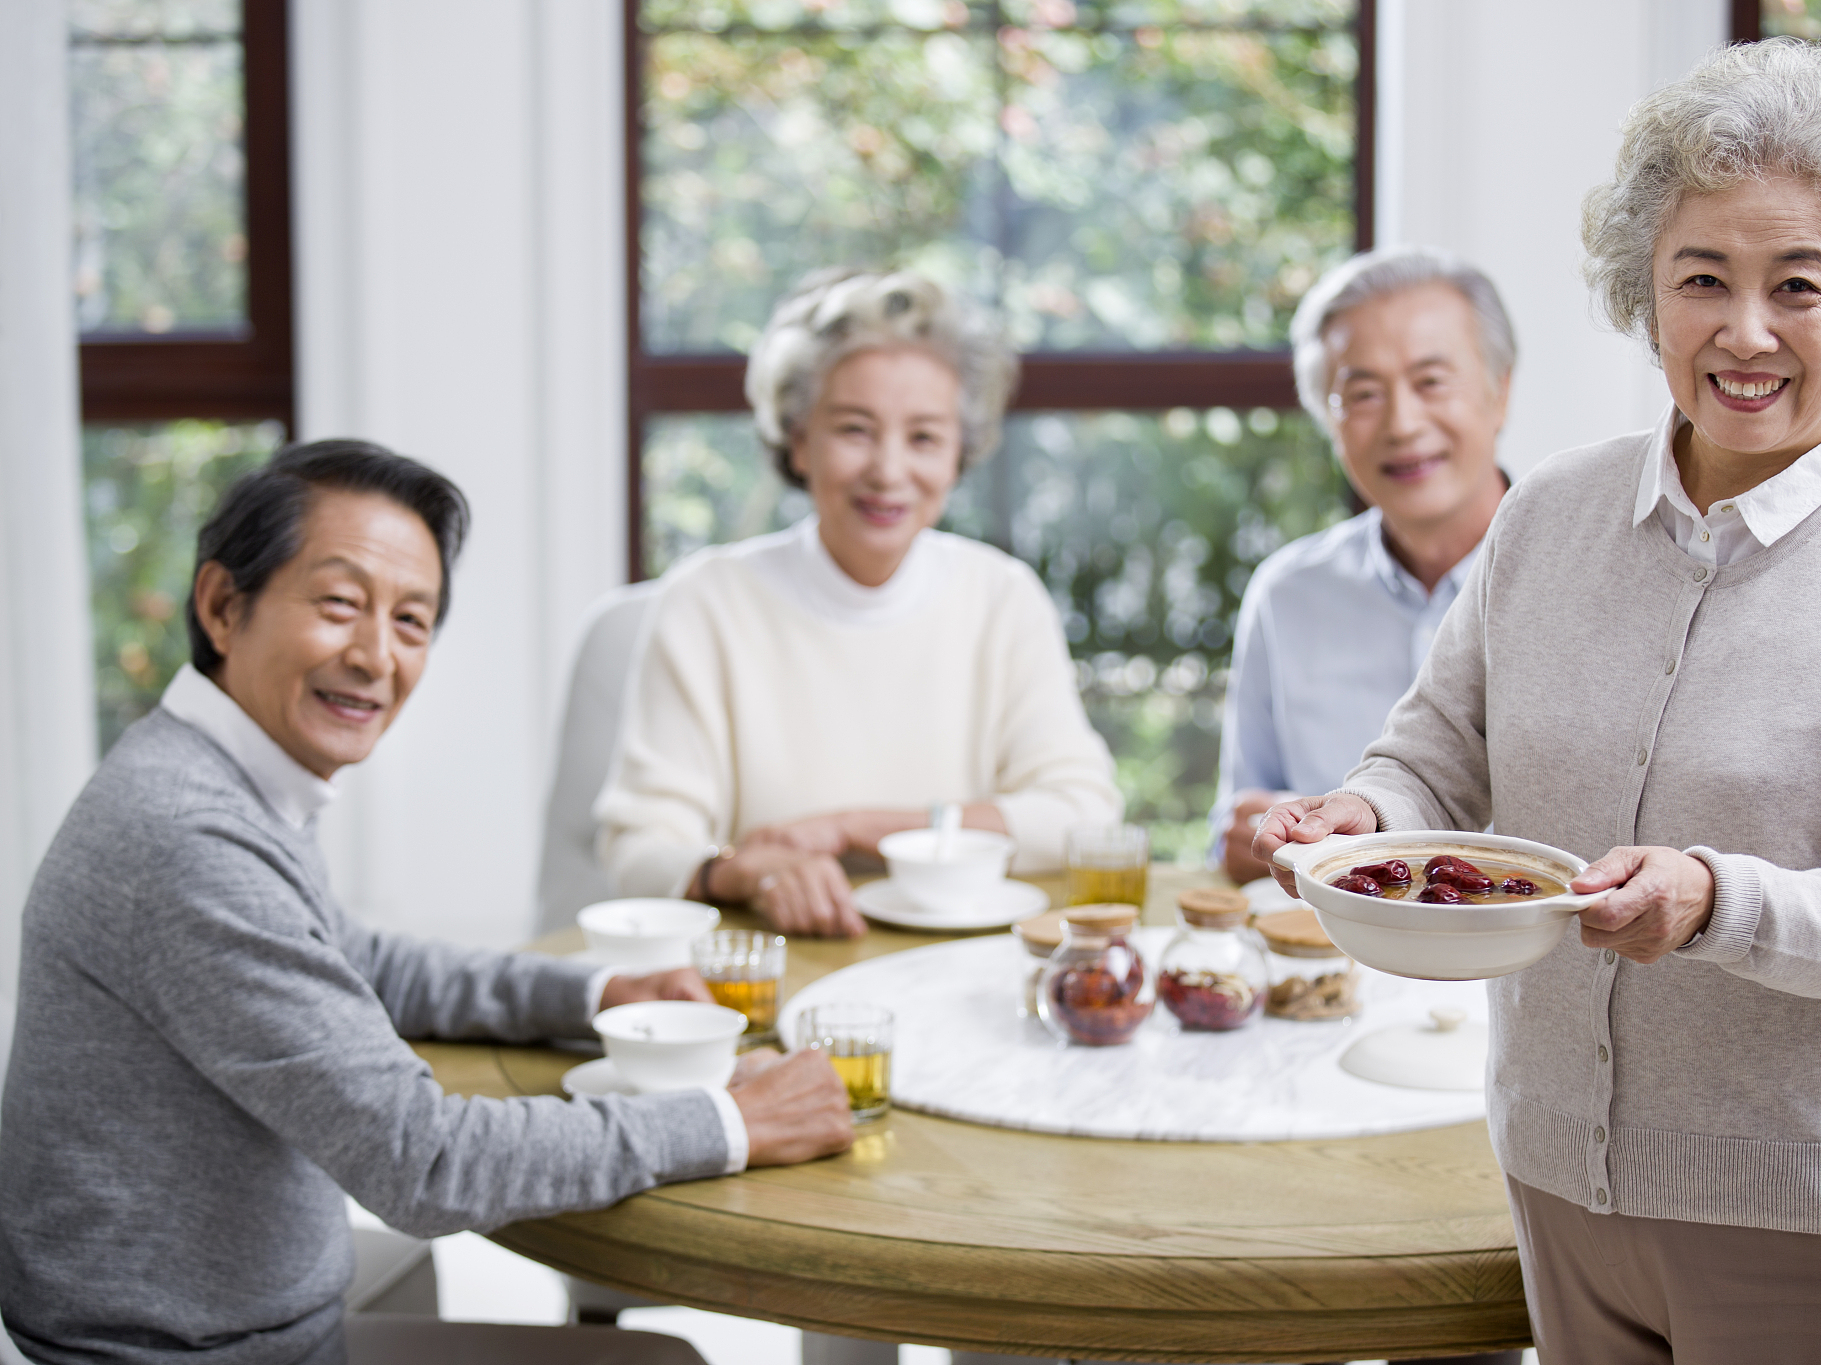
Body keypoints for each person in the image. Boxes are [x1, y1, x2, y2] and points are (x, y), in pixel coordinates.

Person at [1256, 37, 1821, 1364]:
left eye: (1799, 286)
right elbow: (1440, 746)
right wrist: (1363, 812)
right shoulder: (1551, 510)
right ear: (1646, 297)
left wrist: (1715, 901)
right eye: (1701, 279)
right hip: (1555, 1168)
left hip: (1796, 1200)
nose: (1745, 331)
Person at [0, 441, 854, 1365]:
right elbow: (424, 1160)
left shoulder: (215, 776)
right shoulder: (186, 836)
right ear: (221, 605)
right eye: (339, 603)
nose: (376, 654)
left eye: (412, 620)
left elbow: (356, 957)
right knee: (663, 1361)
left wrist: (596, 993)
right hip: (185, 1351)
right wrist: (732, 1120)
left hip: (221, 1317)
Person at [597, 269, 1122, 937]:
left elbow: (1082, 814)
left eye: (924, 437)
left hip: (960, 963)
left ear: (960, 452)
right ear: (797, 439)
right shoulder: (707, 602)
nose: (888, 470)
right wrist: (748, 870)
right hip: (773, 974)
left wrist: (859, 829)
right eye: (855, 429)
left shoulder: (1001, 598)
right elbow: (639, 849)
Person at [1211, 248, 1515, 885]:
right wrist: (1253, 836)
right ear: (1329, 418)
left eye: (1431, 381)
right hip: (1332, 964)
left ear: (1499, 390)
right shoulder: (1288, 593)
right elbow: (1237, 822)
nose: (1403, 424)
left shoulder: (1591, 582)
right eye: (1364, 394)